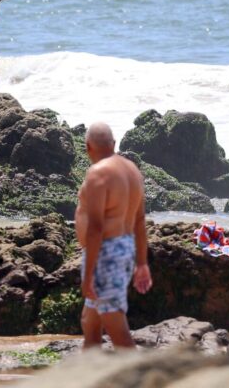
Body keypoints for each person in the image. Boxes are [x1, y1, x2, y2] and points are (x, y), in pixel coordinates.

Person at [75, 122, 152, 349]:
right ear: (114, 144)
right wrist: (141, 263)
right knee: (90, 322)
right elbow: (139, 221)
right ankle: (92, 377)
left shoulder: (98, 174)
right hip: (124, 248)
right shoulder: (132, 171)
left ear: (88, 146)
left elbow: (96, 227)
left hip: (105, 253)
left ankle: (143, 380)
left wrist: (88, 274)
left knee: (115, 324)